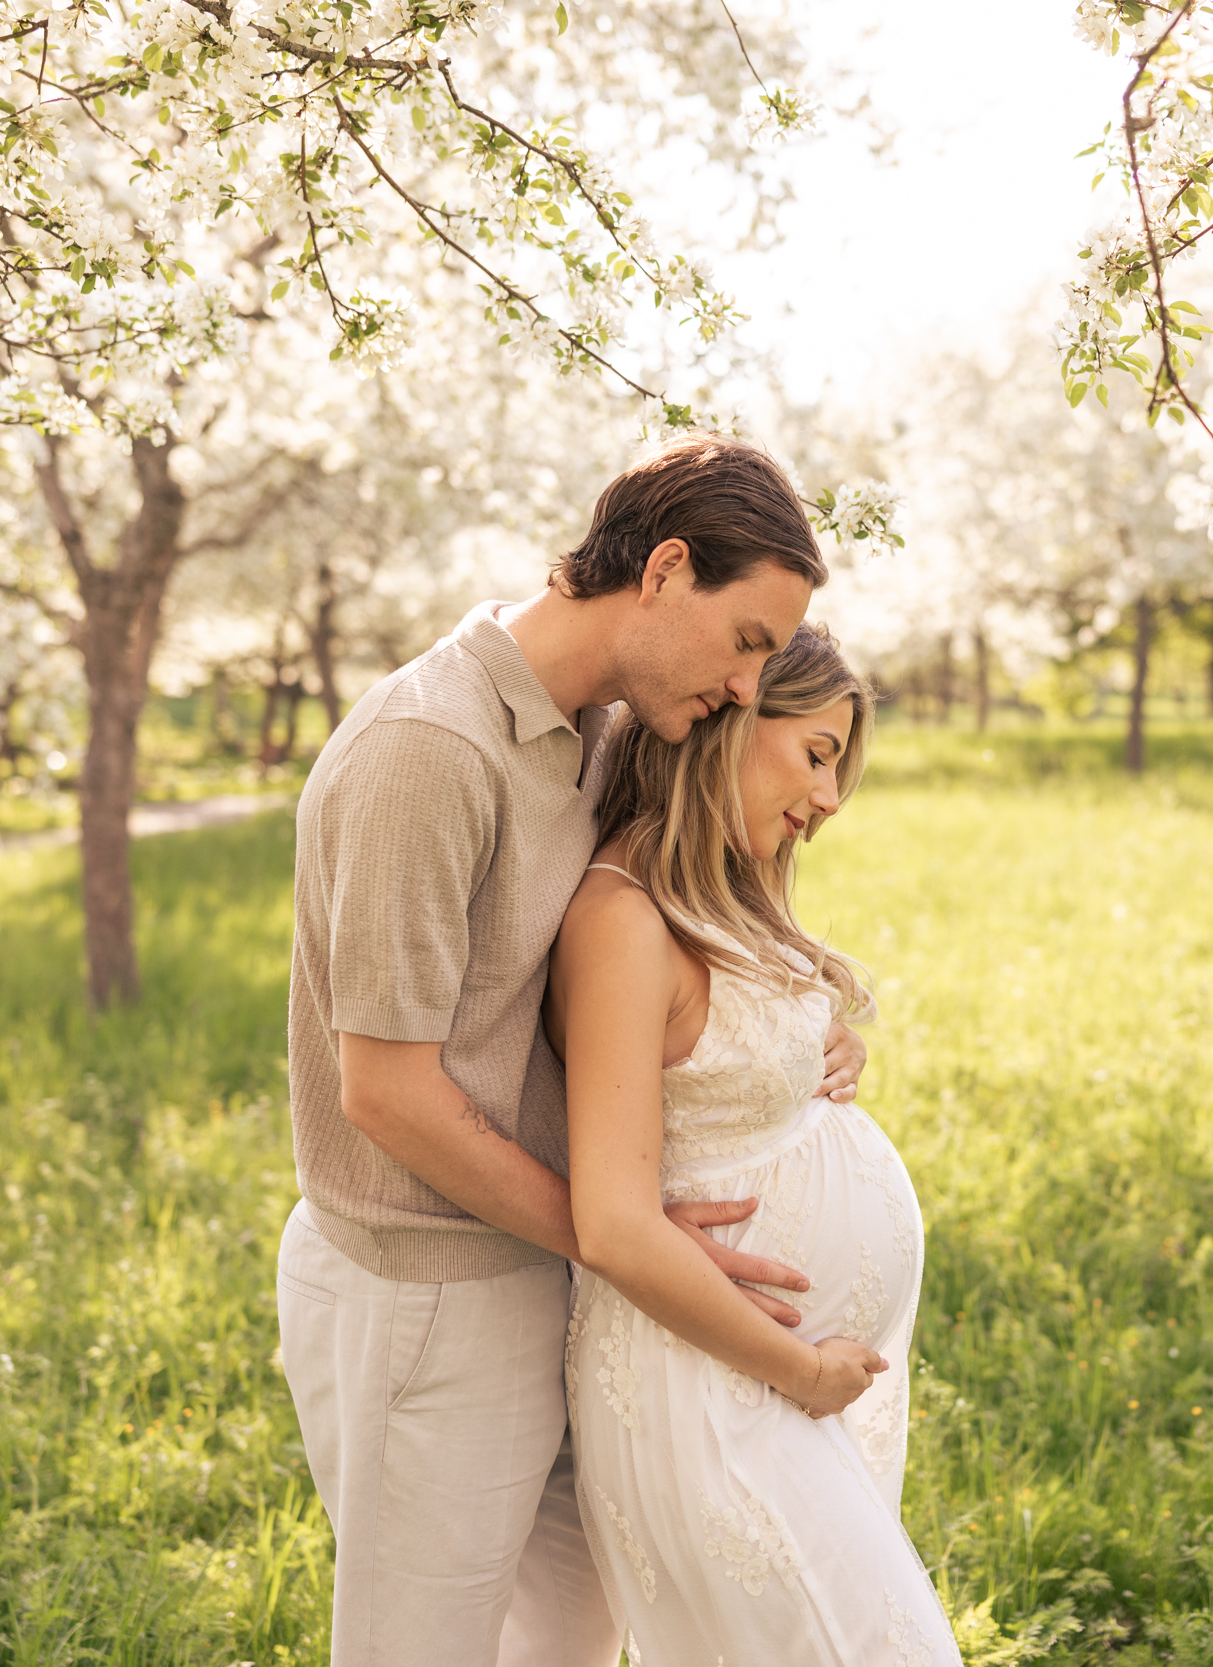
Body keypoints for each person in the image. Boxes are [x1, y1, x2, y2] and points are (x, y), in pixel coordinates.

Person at [276, 435, 870, 1666]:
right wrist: (626, 1233)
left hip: (571, 1278)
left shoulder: (601, 728)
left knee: (568, 1648)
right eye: (746, 641)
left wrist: (797, 1036)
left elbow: (655, 934)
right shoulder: (429, 748)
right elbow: (387, 1091)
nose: (748, 687)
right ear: (664, 570)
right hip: (431, 1292)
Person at [546, 624, 960, 1664]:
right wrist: (800, 1369)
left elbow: (731, 1060)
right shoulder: (622, 920)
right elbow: (614, 1225)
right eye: (817, 754)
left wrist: (827, 1049)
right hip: (713, 1385)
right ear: (729, 719)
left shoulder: (721, 888)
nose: (828, 798)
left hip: (770, 1384)